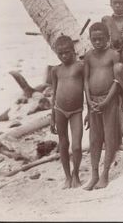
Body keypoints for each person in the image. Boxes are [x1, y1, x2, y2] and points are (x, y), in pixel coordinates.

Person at [83, 22, 121, 190]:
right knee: (94, 139)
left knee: (109, 136)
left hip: (109, 100)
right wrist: (89, 100)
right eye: (94, 39)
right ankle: (94, 175)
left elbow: (116, 80)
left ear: (108, 38)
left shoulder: (113, 55)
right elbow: (85, 80)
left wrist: (106, 101)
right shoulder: (88, 56)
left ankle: (105, 174)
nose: (97, 42)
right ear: (90, 39)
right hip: (93, 101)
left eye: (101, 39)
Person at [50, 35, 84, 189]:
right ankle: (67, 177)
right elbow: (54, 93)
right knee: (63, 144)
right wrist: (52, 117)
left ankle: (76, 173)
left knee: (76, 146)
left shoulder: (80, 66)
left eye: (67, 52)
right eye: (60, 53)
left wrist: (90, 110)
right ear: (57, 53)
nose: (64, 56)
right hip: (59, 110)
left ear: (73, 50)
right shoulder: (55, 70)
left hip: (76, 110)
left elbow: (87, 87)